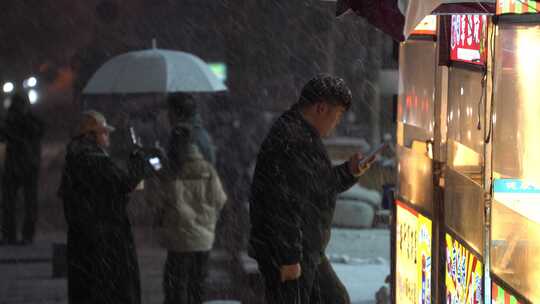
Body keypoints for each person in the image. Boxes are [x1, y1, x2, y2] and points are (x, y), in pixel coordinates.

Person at [249, 74, 375, 304]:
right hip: (290, 253)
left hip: (305, 249)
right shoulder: (293, 140)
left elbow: (316, 186)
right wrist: (288, 258)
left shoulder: (300, 134)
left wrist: (349, 171)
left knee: (335, 299)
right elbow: (282, 203)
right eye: (337, 116)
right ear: (321, 108)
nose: (336, 123)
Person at [58, 110, 146, 304]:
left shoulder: (74, 159)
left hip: (82, 238)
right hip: (106, 238)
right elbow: (125, 184)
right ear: (90, 135)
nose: (107, 136)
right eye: (103, 132)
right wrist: (138, 162)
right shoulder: (95, 160)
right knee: (109, 288)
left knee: (86, 288)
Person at [153, 139, 227, 304]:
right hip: (204, 240)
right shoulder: (209, 170)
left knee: (177, 283)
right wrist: (208, 218)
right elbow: (220, 199)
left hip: (178, 240)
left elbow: (158, 202)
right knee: (198, 282)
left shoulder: (173, 172)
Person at [1, 92, 44, 245]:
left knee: (15, 202)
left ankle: (14, 235)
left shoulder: (28, 120)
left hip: (20, 166)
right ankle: (18, 235)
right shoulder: (25, 119)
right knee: (18, 202)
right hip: (24, 166)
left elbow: (37, 132)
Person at [167, 93, 216, 165]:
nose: (168, 115)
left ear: (178, 112)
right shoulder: (201, 132)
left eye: (170, 110)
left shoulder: (181, 134)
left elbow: (177, 167)